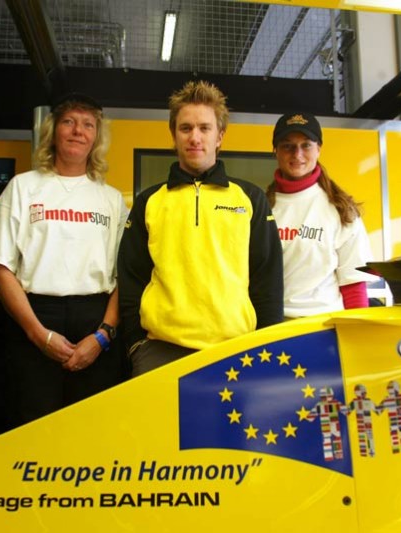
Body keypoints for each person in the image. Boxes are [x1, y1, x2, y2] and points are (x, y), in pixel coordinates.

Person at [0, 92, 129, 430]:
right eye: (69, 122)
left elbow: (125, 277)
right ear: (54, 131)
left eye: (88, 124)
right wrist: (37, 334)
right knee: (31, 430)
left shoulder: (112, 200)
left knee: (92, 431)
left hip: (95, 323)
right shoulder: (22, 188)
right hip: (34, 320)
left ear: (96, 138)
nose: (78, 131)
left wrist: (102, 336)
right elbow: (1, 268)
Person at [118, 80, 283, 377]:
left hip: (236, 351)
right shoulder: (149, 202)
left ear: (220, 136)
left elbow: (267, 280)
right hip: (160, 351)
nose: (195, 137)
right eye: (186, 128)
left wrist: (265, 348)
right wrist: (135, 344)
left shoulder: (250, 199)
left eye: (204, 128)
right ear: (173, 135)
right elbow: (131, 277)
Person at [266, 112, 376, 317]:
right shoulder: (260, 207)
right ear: (276, 151)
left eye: (306, 145)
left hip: (323, 327)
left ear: (319, 148)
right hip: (272, 328)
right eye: (287, 145)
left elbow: (353, 285)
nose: (297, 154)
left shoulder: (341, 210)